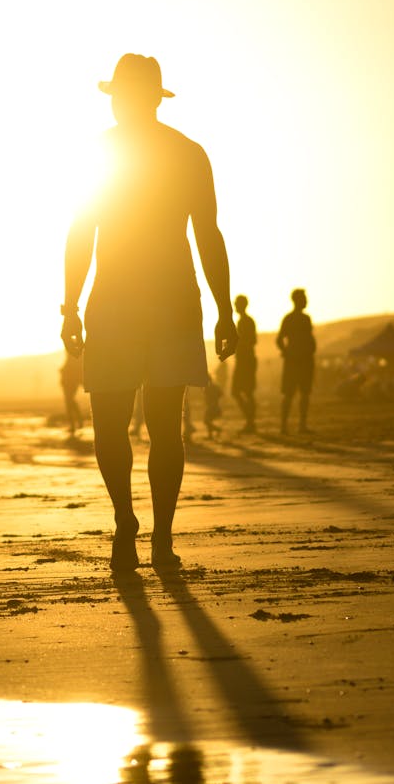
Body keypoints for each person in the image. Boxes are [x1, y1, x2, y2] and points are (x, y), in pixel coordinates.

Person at [61, 53, 237, 571]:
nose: (117, 103)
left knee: (124, 426)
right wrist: (223, 309)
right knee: (158, 427)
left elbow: (81, 235)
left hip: (127, 303)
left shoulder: (107, 153)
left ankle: (138, 530)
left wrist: (71, 306)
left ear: (136, 98)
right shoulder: (186, 153)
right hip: (166, 302)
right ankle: (145, 532)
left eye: (121, 95)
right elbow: (208, 235)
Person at [276, 288, 316, 434]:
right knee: (289, 394)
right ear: (297, 300)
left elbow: (309, 338)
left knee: (304, 394)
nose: (306, 301)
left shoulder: (305, 318)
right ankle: (285, 426)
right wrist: (288, 353)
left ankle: (301, 425)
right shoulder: (290, 319)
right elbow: (280, 339)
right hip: (295, 361)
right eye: (304, 298)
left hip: (304, 360)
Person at [231, 294, 257, 433]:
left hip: (246, 361)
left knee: (244, 392)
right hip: (243, 360)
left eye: (236, 304)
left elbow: (251, 341)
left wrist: (237, 345)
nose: (235, 306)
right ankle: (250, 421)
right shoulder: (243, 321)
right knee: (243, 392)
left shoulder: (245, 322)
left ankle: (250, 421)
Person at [59, 351, 84, 435]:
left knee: (69, 402)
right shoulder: (74, 356)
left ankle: (74, 424)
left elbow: (73, 370)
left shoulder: (73, 355)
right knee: (70, 401)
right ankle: (78, 422)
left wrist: (63, 371)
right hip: (70, 382)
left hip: (70, 382)